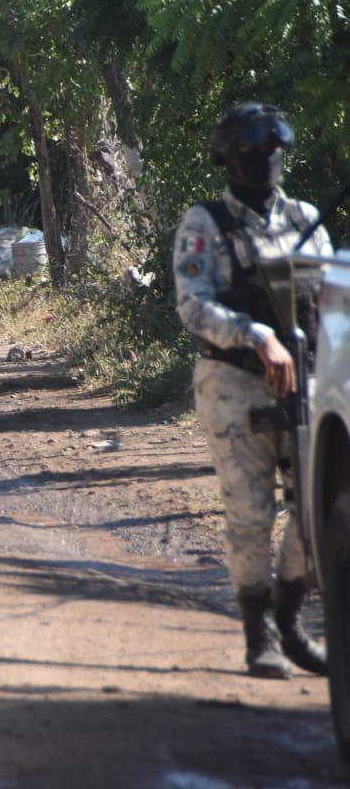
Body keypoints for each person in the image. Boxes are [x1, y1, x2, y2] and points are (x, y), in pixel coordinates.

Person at [174, 102, 332, 679]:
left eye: (272, 148)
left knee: (316, 508)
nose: (264, 158)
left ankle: (290, 620)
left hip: (308, 384)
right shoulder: (206, 223)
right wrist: (256, 335)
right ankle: (256, 635)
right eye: (250, 150)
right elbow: (193, 303)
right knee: (250, 515)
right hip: (233, 382)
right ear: (227, 157)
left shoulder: (308, 220)